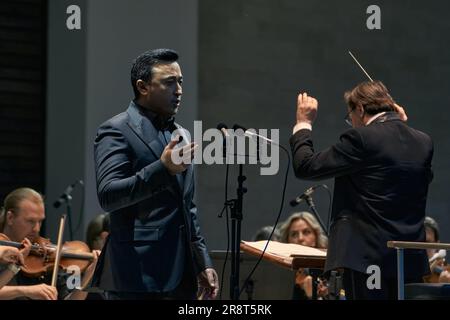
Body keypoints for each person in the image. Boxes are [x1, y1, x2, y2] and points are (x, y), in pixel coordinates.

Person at [91, 48, 218, 300]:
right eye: (169, 82)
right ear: (143, 87)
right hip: (138, 274)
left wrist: (202, 262)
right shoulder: (115, 130)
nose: (179, 90)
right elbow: (108, 195)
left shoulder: (181, 133)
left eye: (180, 82)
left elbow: (187, 206)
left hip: (182, 275)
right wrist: (163, 169)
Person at [290, 81, 433, 299]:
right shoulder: (423, 142)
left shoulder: (362, 138)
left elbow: (306, 166)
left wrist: (303, 124)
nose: (353, 123)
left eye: (351, 117)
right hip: (408, 259)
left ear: (360, 109)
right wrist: (401, 125)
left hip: (367, 258)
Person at [0, 187, 99, 299]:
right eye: (30, 221)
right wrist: (26, 291)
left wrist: (86, 278)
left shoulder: (46, 260)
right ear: (10, 218)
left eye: (40, 221)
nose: (37, 229)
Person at [279, 212, 328, 299]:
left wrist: (315, 296)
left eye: (306, 232)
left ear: (316, 237)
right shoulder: (281, 275)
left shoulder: (328, 270)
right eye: (294, 234)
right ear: (287, 240)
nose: (300, 238)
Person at [423, 216, 450, 283]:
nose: (421, 248)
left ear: (437, 244)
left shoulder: (446, 271)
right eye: (418, 243)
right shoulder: (403, 270)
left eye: (427, 242)